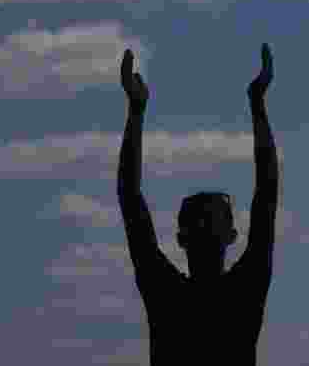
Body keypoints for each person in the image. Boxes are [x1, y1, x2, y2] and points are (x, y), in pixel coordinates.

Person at [117, 44, 278, 366]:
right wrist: (257, 106)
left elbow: (130, 197)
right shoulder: (244, 289)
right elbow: (266, 195)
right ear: (231, 235)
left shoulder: (168, 294)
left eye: (207, 219)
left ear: (181, 238)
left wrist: (137, 112)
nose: (204, 225)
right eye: (202, 220)